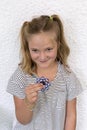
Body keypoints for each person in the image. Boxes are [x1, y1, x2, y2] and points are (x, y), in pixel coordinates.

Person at [7, 14, 83, 130]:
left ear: (58, 44)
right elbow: (22, 120)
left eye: (48, 49)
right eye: (35, 50)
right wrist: (28, 103)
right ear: (28, 48)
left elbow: (71, 116)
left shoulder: (68, 77)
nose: (42, 57)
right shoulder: (21, 77)